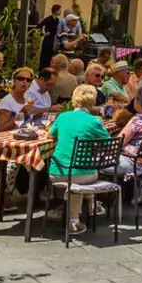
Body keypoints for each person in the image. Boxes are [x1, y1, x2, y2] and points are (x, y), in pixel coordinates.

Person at [45, 84, 110, 234]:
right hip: (83, 174)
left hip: (57, 171)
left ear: (74, 101)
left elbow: (50, 134)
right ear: (92, 103)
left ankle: (88, 208)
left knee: (75, 175)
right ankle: (78, 217)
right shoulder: (95, 122)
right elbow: (107, 143)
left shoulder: (63, 117)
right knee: (84, 173)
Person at [37, 5, 62, 69]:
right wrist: (43, 34)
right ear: (55, 11)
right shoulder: (48, 19)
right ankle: (43, 68)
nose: (60, 11)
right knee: (45, 55)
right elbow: (39, 25)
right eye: (59, 10)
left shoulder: (57, 20)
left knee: (51, 55)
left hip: (54, 40)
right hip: (48, 40)